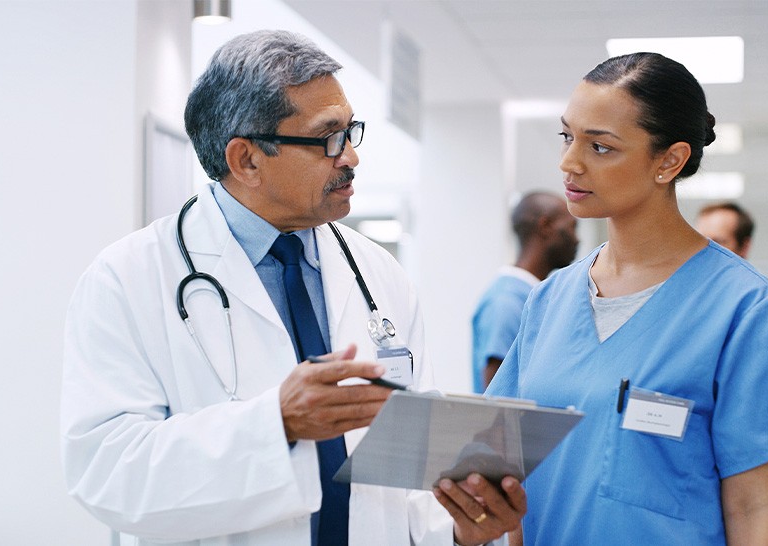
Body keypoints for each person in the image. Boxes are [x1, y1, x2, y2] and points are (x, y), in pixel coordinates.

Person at [60, 30, 524, 546]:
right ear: (247, 161)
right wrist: (275, 424)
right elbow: (106, 475)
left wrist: (459, 528)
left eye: (352, 132)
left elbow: (413, 466)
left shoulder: (377, 273)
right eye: (328, 137)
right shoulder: (128, 278)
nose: (350, 157)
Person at [485, 52, 768, 545]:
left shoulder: (741, 306)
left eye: (600, 147)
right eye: (568, 137)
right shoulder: (550, 301)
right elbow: (510, 476)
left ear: (669, 160)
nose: (569, 162)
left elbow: (755, 506)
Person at [695, 201, 768, 526]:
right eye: (698, 239)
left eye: (718, 242)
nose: (705, 250)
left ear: (744, 247)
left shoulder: (760, 308)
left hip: (749, 478)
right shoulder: (681, 302)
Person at [471, 192, 578, 392]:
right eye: (571, 227)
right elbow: (498, 398)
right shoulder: (506, 301)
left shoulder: (541, 295)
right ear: (545, 227)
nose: (577, 239)